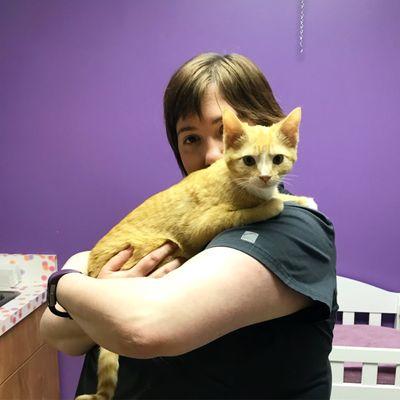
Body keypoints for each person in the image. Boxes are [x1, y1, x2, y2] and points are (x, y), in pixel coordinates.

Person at [40, 53, 337, 399]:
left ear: (269, 128)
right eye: (191, 138)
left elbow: (142, 327)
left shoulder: (293, 228)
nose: (212, 154)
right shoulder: (188, 211)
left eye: (226, 133)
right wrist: (96, 294)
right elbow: (56, 334)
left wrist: (66, 281)